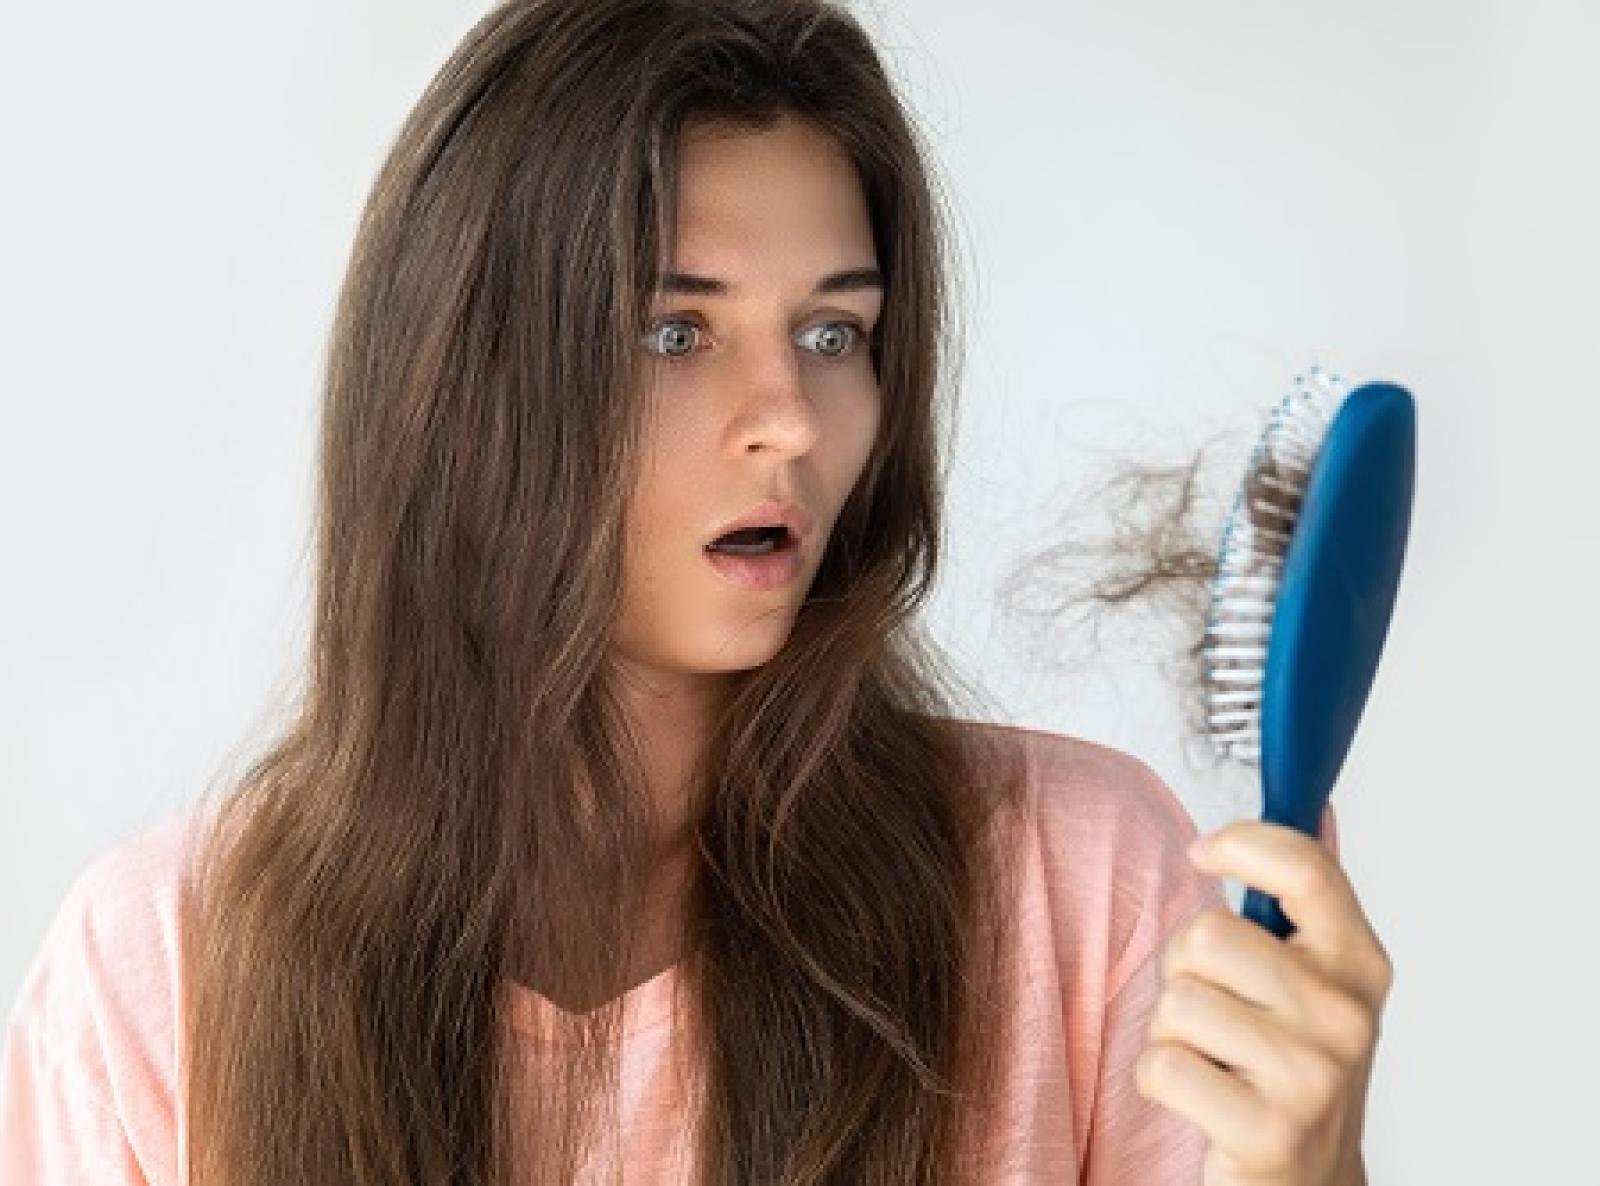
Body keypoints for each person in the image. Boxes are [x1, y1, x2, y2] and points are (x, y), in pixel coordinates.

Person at [0, 2, 1390, 1182]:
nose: (788, 418)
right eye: (677, 331)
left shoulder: (1075, 887)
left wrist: (1314, 1173)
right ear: (461, 390)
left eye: (834, 332)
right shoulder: (161, 972)